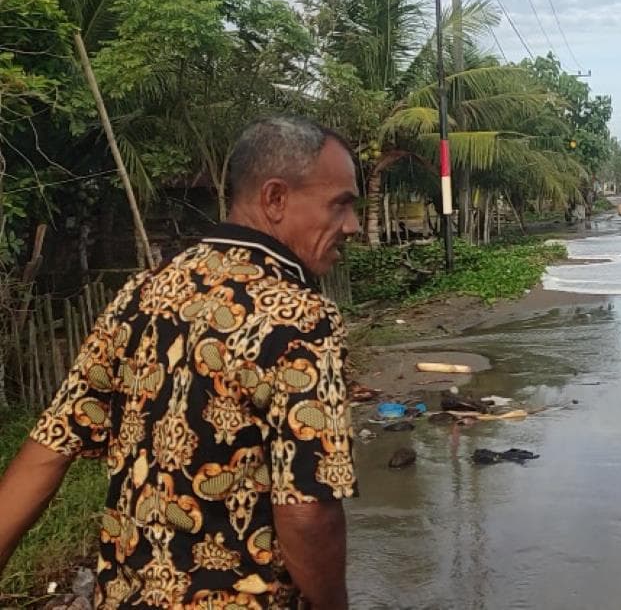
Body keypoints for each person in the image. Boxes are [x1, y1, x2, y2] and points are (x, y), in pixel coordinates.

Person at [0, 116, 361, 609]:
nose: (353, 226)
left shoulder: (144, 291)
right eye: (340, 205)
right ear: (275, 199)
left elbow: (49, 449)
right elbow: (307, 513)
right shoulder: (300, 317)